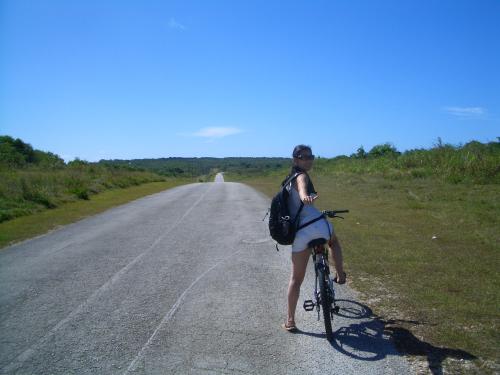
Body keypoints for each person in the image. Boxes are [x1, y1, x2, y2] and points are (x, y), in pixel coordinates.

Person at [282, 144, 346, 332]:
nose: (308, 160)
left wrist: (306, 198)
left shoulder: (287, 180)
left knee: (296, 279)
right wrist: (305, 197)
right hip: (318, 225)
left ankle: (290, 321)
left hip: (300, 233)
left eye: (311, 156)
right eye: (304, 157)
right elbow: (302, 189)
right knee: (333, 241)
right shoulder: (301, 176)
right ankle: (340, 275)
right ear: (295, 160)